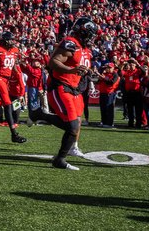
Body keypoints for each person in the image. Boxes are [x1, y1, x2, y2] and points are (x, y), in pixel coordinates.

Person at [27, 16, 98, 170]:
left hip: (75, 89)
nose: (92, 38)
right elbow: (53, 62)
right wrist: (71, 70)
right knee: (71, 126)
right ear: (83, 32)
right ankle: (40, 115)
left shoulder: (85, 49)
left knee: (76, 124)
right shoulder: (71, 43)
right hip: (61, 86)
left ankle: (62, 156)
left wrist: (88, 73)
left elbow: (79, 67)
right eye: (90, 34)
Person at [0, 31, 27, 144]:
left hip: (6, 81)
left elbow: (14, 65)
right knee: (7, 104)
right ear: (5, 40)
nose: (13, 42)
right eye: (11, 39)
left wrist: (17, 73)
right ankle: (14, 134)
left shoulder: (15, 51)